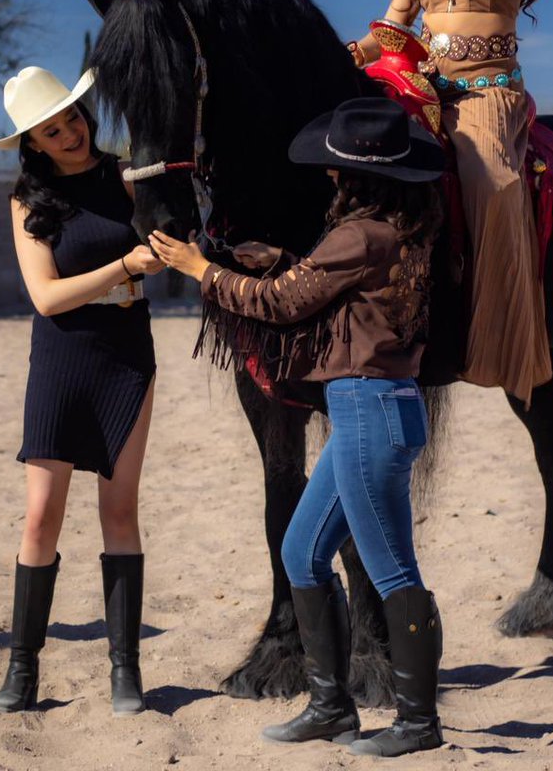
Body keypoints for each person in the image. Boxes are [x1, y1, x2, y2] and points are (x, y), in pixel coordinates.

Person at [150, 97, 446, 757]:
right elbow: (326, 287)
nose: (329, 177)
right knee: (300, 553)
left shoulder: (356, 234)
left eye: (337, 169)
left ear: (355, 176)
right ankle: (329, 704)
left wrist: (201, 270)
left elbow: (279, 306)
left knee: (394, 572)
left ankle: (418, 722)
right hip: (368, 412)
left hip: (367, 413)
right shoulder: (391, 230)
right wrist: (281, 256)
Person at [348, 0, 551, 406]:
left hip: (488, 93)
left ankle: (498, 343)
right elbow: (392, 26)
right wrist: (343, 54)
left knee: (495, 185)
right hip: (425, 87)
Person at [0, 66, 164, 714]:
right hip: (61, 357)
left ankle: (125, 672)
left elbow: (176, 240)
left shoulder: (127, 177)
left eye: (72, 119)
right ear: (32, 141)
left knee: (119, 510)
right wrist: (122, 268)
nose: (69, 134)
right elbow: (46, 298)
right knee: (41, 515)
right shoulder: (29, 200)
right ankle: (22, 671)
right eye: (51, 130)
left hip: (126, 354)